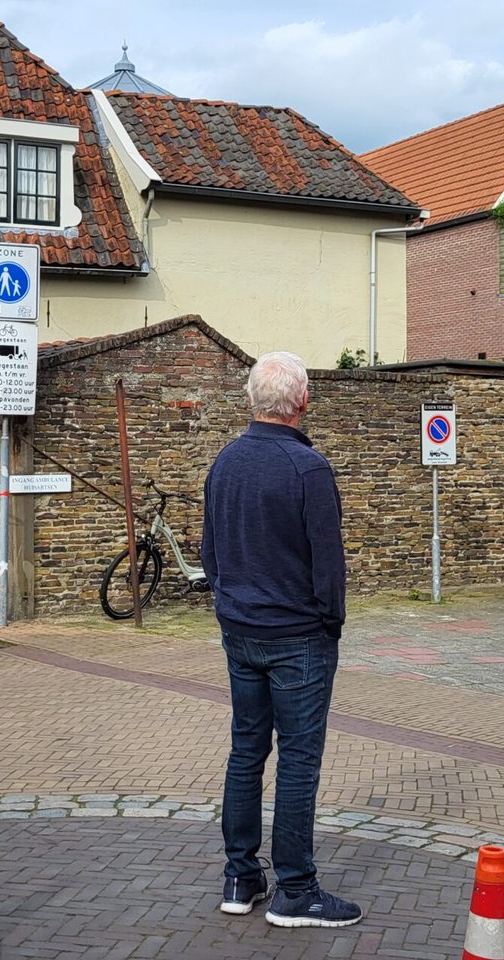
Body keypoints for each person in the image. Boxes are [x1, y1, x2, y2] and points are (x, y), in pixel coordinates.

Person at [201, 351, 361, 929]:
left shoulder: (225, 462)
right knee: (298, 761)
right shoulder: (307, 468)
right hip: (299, 638)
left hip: (240, 632)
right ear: (303, 401)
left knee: (246, 751)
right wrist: (330, 622)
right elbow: (328, 563)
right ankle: (296, 889)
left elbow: (209, 552)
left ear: (251, 399)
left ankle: (240, 877)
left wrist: (230, 605)